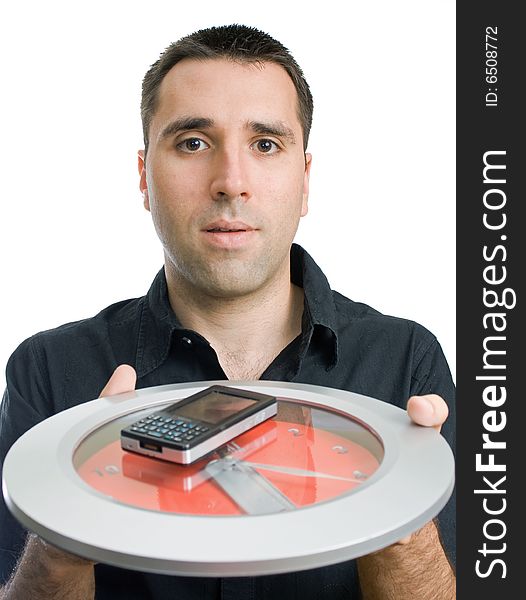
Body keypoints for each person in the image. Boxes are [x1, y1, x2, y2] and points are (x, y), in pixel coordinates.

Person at [0, 23, 455, 600]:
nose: (230, 183)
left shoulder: (406, 364)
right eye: (193, 142)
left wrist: (404, 530)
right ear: (144, 176)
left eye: (265, 144)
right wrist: (63, 533)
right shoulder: (48, 371)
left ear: (305, 180)